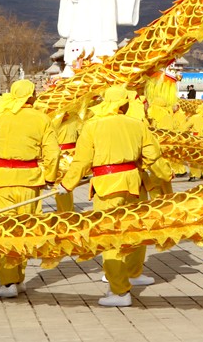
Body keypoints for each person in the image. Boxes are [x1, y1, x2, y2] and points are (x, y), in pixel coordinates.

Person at [58, 85, 163, 307]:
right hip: (133, 184)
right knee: (133, 231)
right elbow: (153, 153)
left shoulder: (93, 126)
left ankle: (120, 290)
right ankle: (129, 276)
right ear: (124, 104)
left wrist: (67, 184)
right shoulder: (137, 125)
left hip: (107, 186)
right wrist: (134, 166)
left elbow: (82, 161)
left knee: (108, 237)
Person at [0, 80, 59, 298]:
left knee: (6, 229)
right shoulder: (42, 119)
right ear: (31, 95)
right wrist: (50, 176)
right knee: (24, 228)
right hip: (29, 179)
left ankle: (8, 282)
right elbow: (53, 152)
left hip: (3, 178)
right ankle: (19, 278)